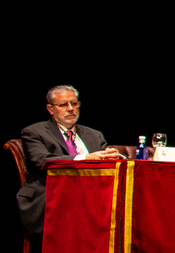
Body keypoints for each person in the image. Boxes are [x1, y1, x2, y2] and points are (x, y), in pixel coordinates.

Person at [17, 85, 123, 234]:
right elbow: (42, 160)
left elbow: (106, 163)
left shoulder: (94, 135)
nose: (71, 109)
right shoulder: (35, 132)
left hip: (91, 197)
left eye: (74, 103)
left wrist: (113, 156)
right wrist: (85, 158)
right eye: (63, 105)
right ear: (50, 109)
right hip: (50, 195)